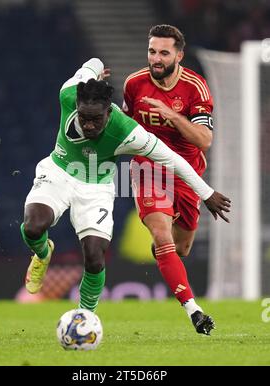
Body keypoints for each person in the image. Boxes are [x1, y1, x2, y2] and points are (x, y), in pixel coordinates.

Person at [20, 58, 230, 333]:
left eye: (96, 120)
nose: (89, 125)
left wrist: (207, 193)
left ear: (109, 112)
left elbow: (174, 160)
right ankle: (42, 252)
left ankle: (83, 320)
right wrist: (97, 70)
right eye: (84, 118)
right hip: (58, 171)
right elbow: (91, 63)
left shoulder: (129, 132)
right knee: (34, 227)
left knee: (95, 255)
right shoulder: (69, 93)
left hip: (96, 187)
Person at [123, 24, 226, 335]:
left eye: (164, 52)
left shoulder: (196, 88)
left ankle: (166, 251)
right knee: (161, 234)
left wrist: (173, 116)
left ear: (179, 55)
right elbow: (127, 127)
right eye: (152, 51)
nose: (156, 58)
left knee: (180, 249)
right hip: (148, 167)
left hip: (185, 171)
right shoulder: (134, 84)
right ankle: (193, 311)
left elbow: (204, 140)